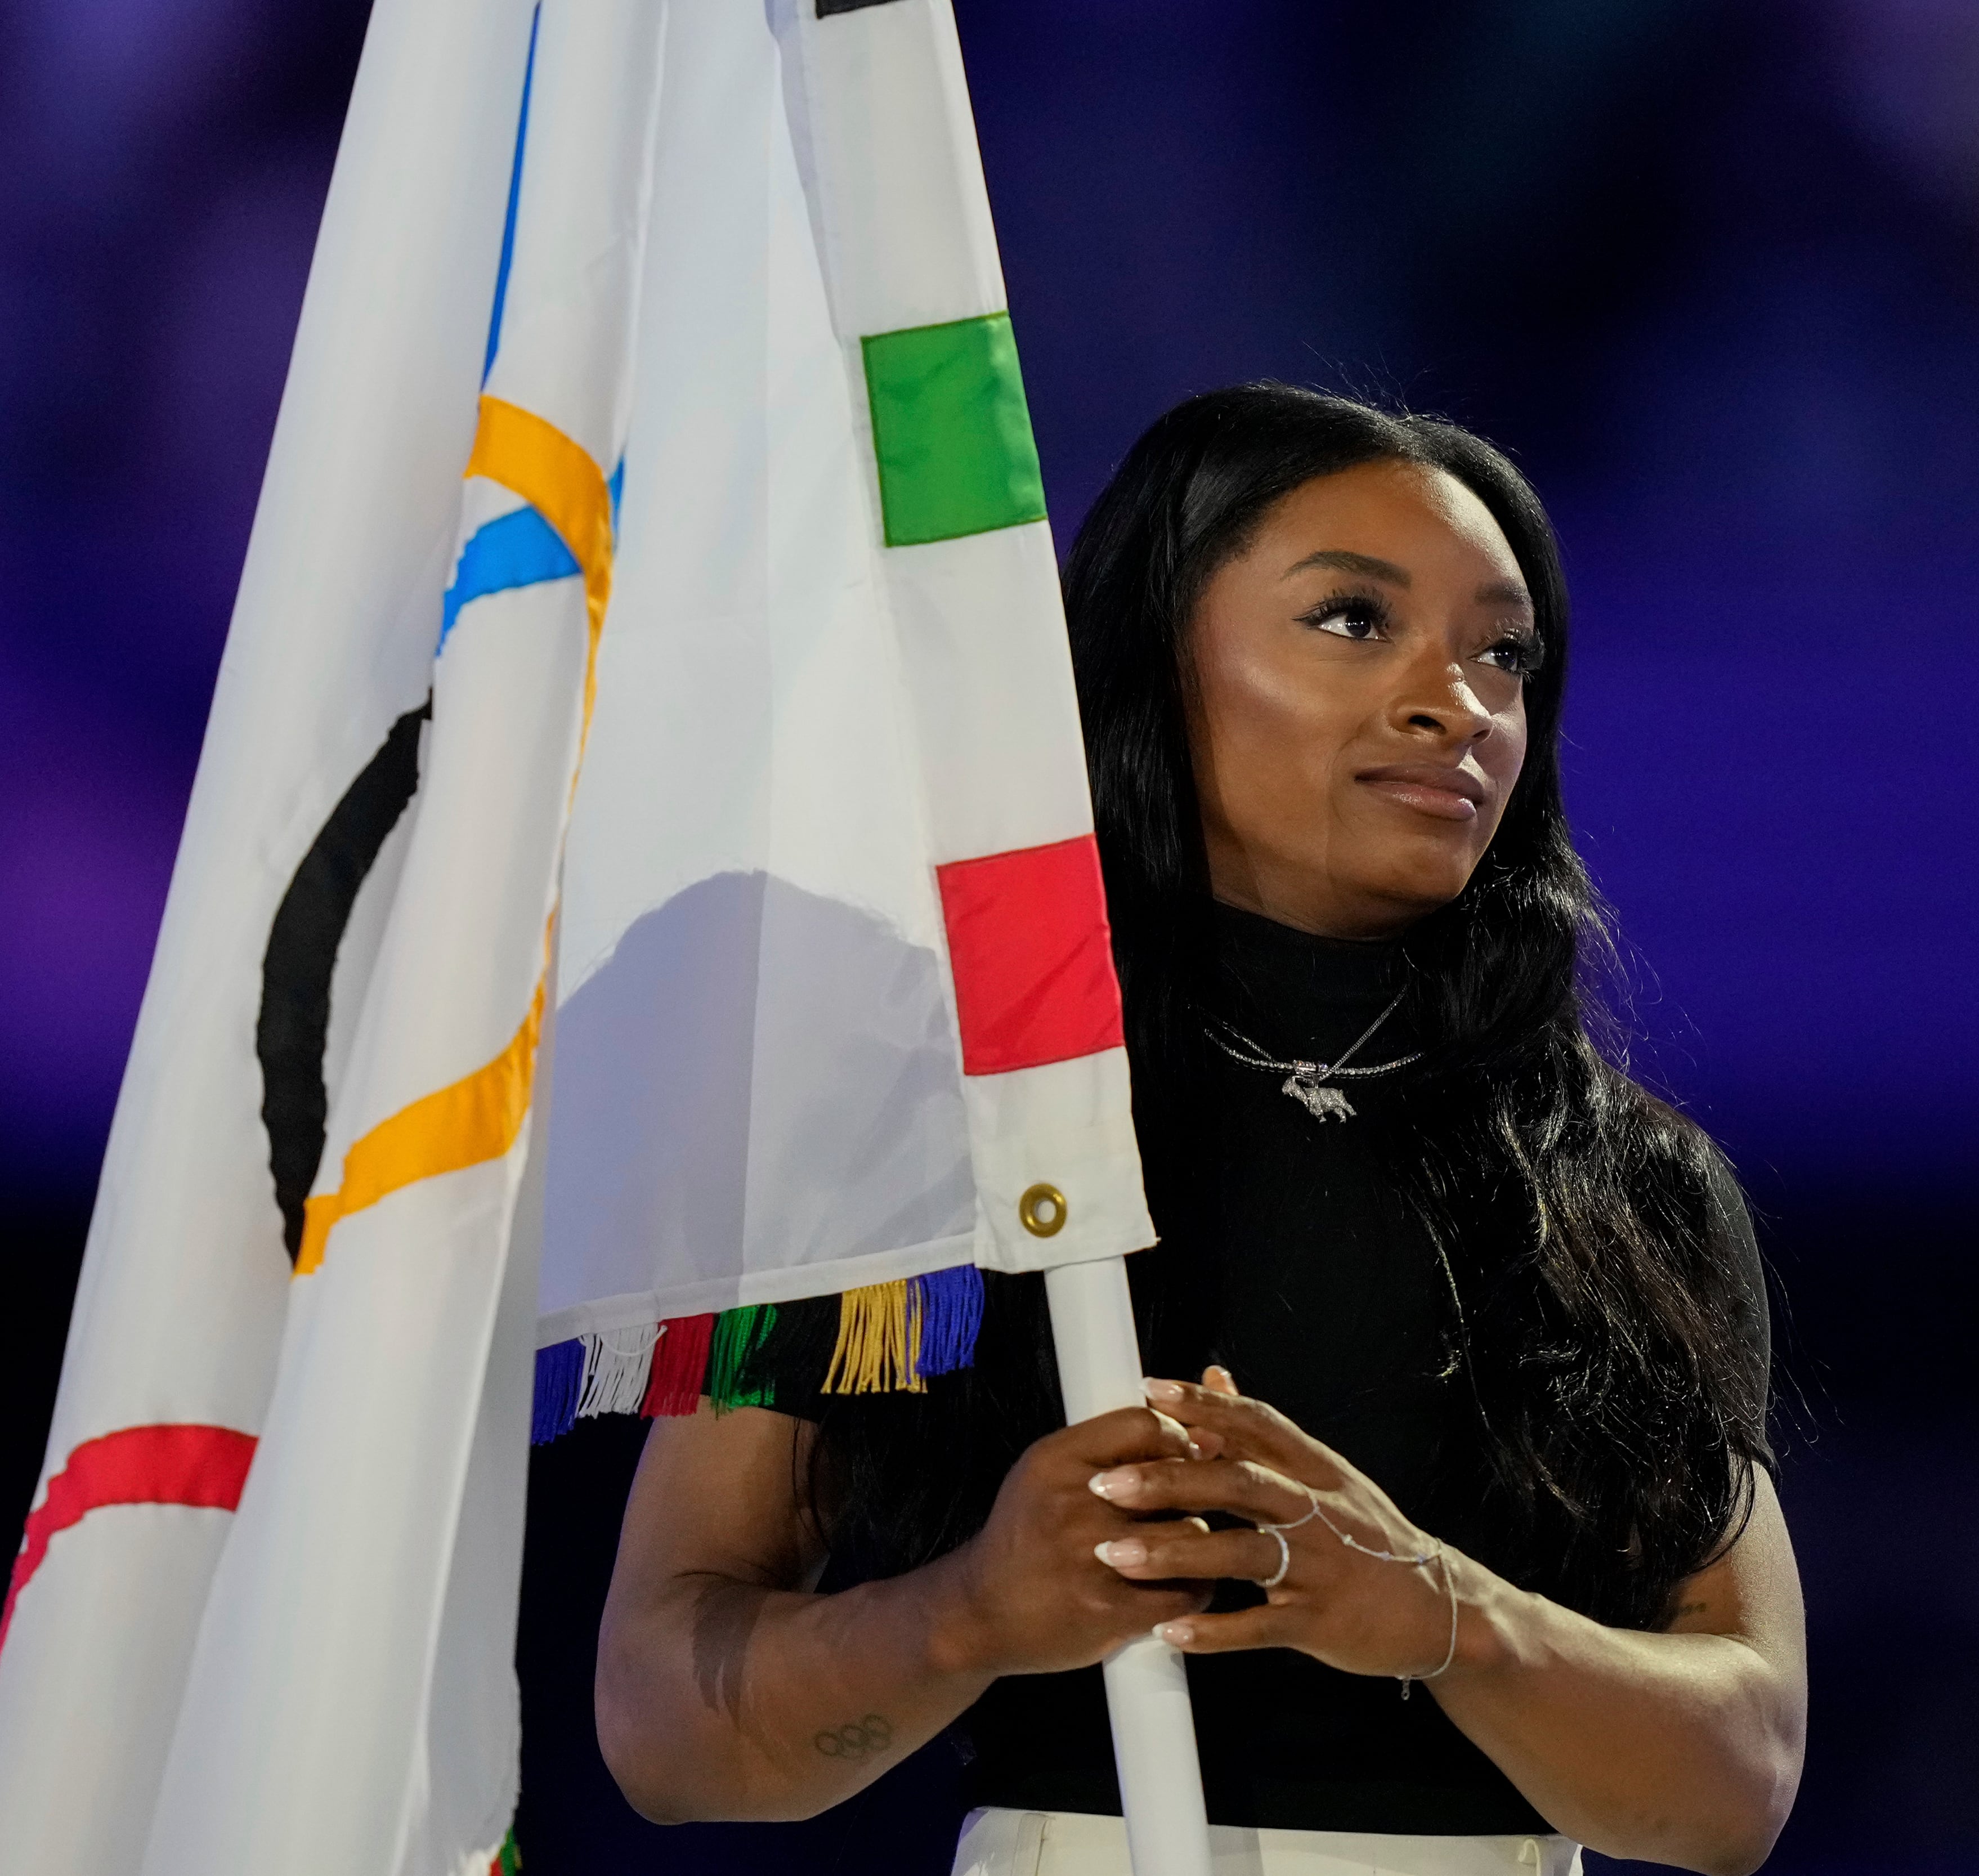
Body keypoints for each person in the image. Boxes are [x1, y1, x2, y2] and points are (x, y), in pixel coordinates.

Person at [594, 384, 1807, 1876]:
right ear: (1152, 658)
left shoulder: (1623, 1187)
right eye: (1355, 621)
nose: (1460, 701)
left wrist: (1430, 1608)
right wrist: (974, 1610)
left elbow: (1740, 1778)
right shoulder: (908, 1130)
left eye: (1505, 653)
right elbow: (667, 1723)